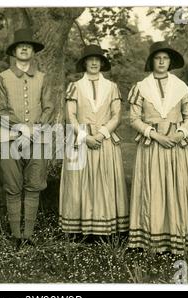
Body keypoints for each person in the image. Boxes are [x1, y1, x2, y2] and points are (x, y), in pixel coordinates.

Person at [127, 41, 188, 254]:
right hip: (152, 144)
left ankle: (178, 236)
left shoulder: (181, 86)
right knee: (153, 188)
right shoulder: (141, 87)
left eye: (165, 58)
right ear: (151, 61)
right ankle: (152, 239)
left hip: (177, 145)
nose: (161, 62)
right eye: (158, 58)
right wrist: (156, 135)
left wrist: (180, 134)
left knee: (177, 187)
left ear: (170, 62)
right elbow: (133, 119)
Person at [59, 44, 129, 241]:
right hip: (80, 139)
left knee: (104, 180)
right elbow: (70, 116)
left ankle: (105, 229)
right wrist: (85, 137)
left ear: (102, 63)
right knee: (78, 183)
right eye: (90, 59)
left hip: (104, 139)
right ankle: (78, 229)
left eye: (98, 59)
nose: (94, 62)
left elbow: (117, 116)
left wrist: (101, 134)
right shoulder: (74, 86)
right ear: (84, 63)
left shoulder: (112, 87)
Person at [0, 28, 54, 248]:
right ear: (14, 51)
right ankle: (15, 235)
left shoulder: (43, 78)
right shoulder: (3, 78)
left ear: (33, 51)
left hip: (38, 139)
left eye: (28, 46)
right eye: (21, 46)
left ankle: (28, 235)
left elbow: (48, 107)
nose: (25, 49)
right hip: (10, 138)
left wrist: (36, 129)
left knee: (34, 184)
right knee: (12, 186)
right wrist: (21, 128)